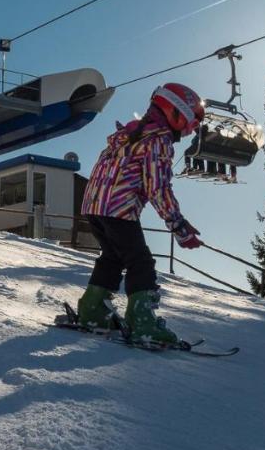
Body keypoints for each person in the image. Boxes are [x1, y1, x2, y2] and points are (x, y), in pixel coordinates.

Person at [75, 82, 206, 345]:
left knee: (112, 257)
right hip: (118, 209)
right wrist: (178, 226)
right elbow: (157, 187)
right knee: (141, 262)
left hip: (94, 206)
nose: (190, 131)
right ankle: (142, 320)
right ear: (175, 113)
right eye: (191, 123)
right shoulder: (157, 140)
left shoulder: (127, 135)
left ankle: (93, 310)